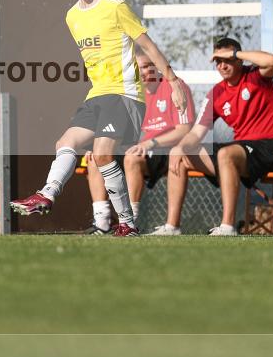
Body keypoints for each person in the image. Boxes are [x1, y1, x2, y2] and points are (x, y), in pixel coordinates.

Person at [9, 0, 186, 237]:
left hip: (125, 94)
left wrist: (174, 81)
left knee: (102, 154)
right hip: (98, 95)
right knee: (65, 142)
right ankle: (47, 195)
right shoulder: (72, 17)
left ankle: (127, 223)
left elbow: (147, 46)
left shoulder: (115, 6)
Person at [168, 38, 273, 236]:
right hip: (242, 150)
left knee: (226, 154)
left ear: (239, 60)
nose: (222, 65)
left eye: (226, 59)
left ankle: (227, 227)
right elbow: (196, 132)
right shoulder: (216, 93)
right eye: (217, 61)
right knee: (181, 156)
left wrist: (234, 53)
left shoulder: (256, 76)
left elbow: (271, 60)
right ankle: (172, 227)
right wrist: (179, 148)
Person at [83, 50, 195, 235]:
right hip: (139, 149)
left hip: (166, 150)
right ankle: (102, 221)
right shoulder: (131, 93)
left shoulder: (175, 87)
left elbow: (184, 130)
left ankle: (128, 222)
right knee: (96, 157)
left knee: (131, 158)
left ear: (157, 68)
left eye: (145, 67)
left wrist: (151, 143)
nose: (140, 72)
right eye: (135, 68)